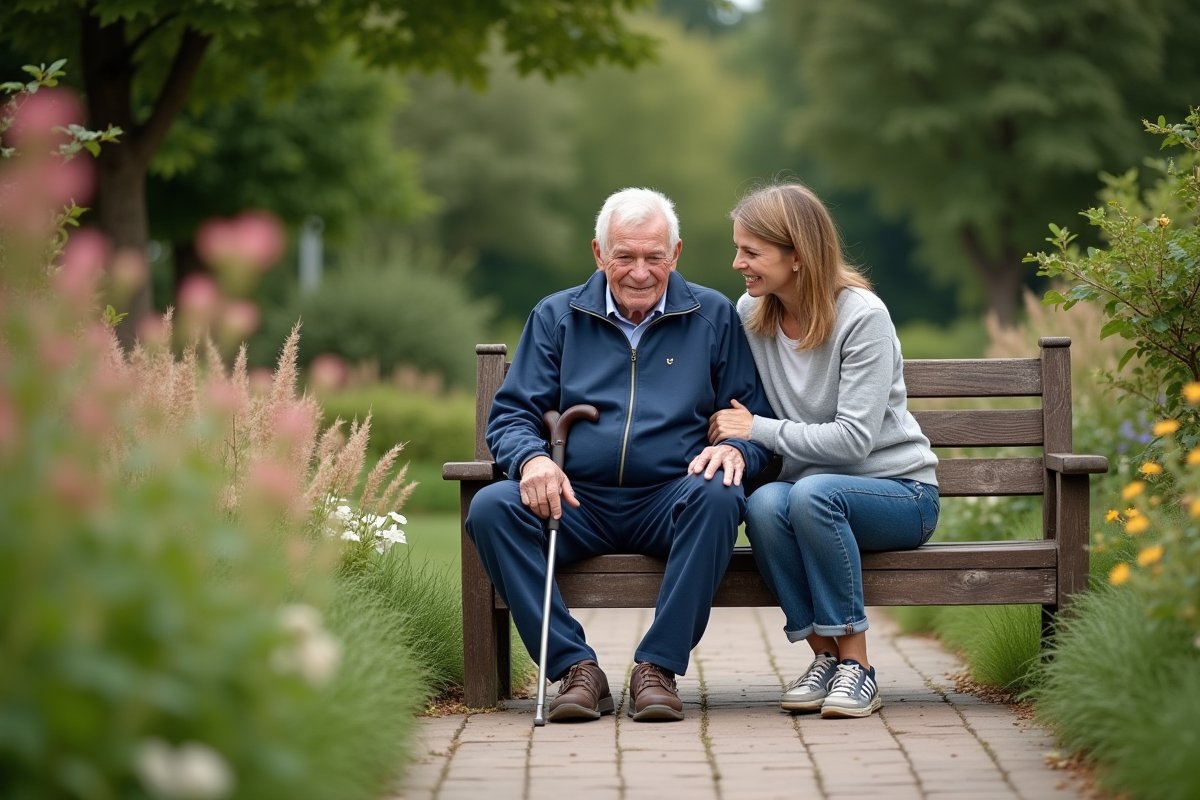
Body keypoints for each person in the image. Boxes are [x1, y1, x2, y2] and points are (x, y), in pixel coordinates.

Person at [466, 188, 774, 723]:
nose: (639, 272)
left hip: (669, 498)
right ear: (598, 254)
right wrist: (533, 461)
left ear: (675, 255)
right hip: (574, 500)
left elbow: (752, 421)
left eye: (654, 257)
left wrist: (736, 451)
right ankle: (575, 669)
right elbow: (512, 415)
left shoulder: (714, 317)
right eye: (624, 256)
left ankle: (658, 667)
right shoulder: (556, 316)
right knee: (492, 507)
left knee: (720, 493)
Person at [695, 182, 940, 719]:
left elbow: (853, 441)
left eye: (751, 252)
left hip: (901, 494)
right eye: (738, 248)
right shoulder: (752, 314)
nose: (737, 263)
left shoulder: (862, 318)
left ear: (798, 256)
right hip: (813, 496)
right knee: (763, 505)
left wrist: (756, 428)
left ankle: (860, 667)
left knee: (811, 495)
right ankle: (825, 658)